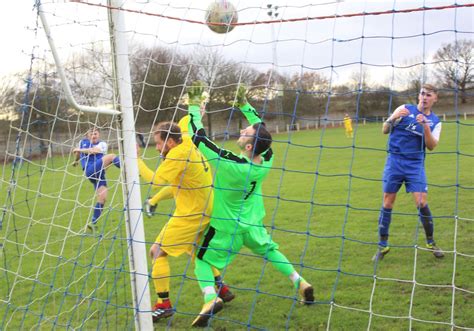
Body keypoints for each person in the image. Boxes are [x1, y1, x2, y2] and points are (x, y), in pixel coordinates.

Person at [187, 82, 314, 327]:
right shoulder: (266, 158)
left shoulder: (230, 163)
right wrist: (243, 104)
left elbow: (198, 137)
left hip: (226, 228)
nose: (243, 130)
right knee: (271, 251)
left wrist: (193, 107)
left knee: (202, 259)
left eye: (245, 133)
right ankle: (301, 283)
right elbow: (262, 129)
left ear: (247, 146)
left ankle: (210, 298)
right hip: (253, 223)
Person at [137, 121, 234, 323]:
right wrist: (197, 101)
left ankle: (163, 304)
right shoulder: (188, 140)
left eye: (158, 143)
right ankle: (221, 288)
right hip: (208, 208)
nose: (156, 148)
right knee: (197, 251)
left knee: (157, 251)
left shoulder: (176, 155)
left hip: (190, 214)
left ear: (170, 142)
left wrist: (135, 159)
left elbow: (155, 181)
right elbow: (175, 186)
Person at [373, 84, 444, 262]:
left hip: (415, 164)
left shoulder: (435, 121)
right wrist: (394, 117)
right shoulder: (404, 109)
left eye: (428, 95)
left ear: (435, 99)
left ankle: (431, 242)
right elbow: (384, 129)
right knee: (388, 202)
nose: (424, 97)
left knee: (421, 201)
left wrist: (425, 127)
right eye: (422, 94)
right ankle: (383, 246)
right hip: (394, 162)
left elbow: (432, 146)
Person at [73, 128, 120, 232]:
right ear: (87, 135)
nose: (93, 135)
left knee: (103, 198)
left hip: (99, 175)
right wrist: (75, 161)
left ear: (98, 135)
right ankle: (128, 168)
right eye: (91, 134)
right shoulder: (83, 142)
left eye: (95, 133)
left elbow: (94, 151)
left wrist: (78, 150)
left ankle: (92, 223)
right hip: (90, 170)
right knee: (112, 156)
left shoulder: (102, 144)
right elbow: (77, 154)